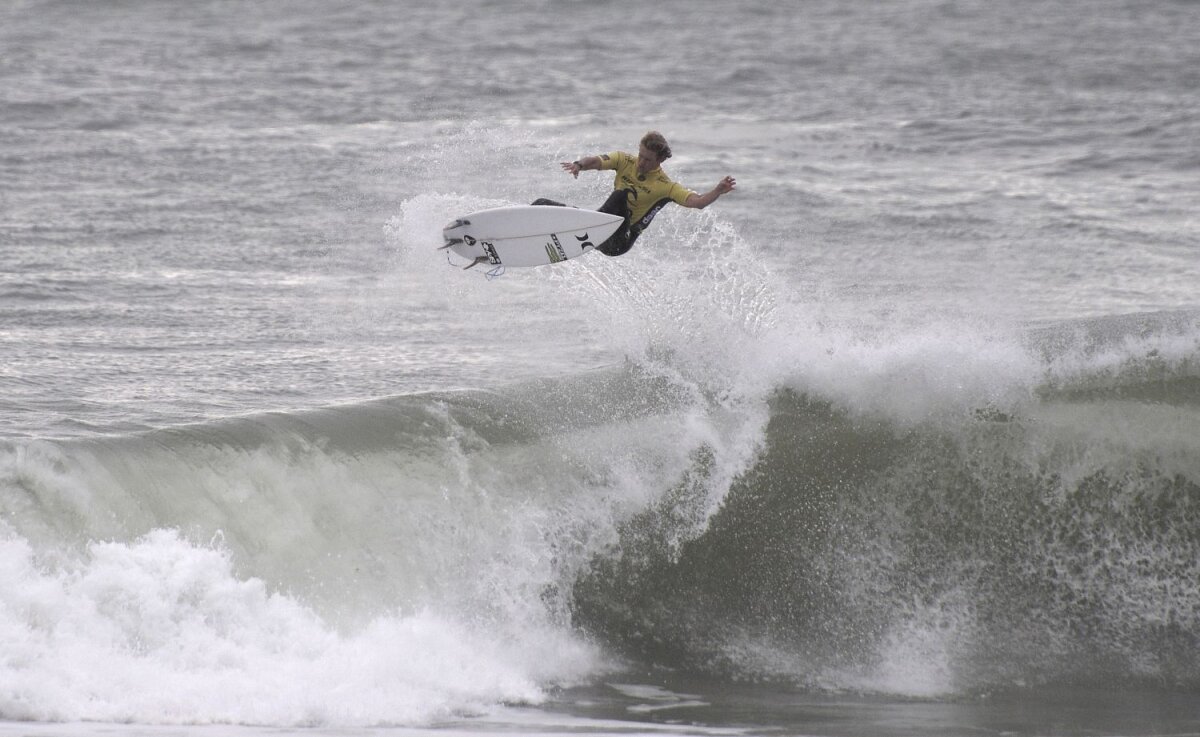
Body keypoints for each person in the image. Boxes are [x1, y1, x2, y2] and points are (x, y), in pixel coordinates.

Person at [532, 131, 737, 257]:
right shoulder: (624, 160)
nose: (641, 162)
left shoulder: (665, 186)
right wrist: (579, 165)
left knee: (620, 195)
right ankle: (527, 237)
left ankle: (587, 229)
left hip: (620, 241)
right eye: (640, 156)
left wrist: (718, 190)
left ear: (660, 161)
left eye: (648, 159)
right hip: (601, 230)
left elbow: (698, 202)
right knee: (541, 204)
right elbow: (595, 161)